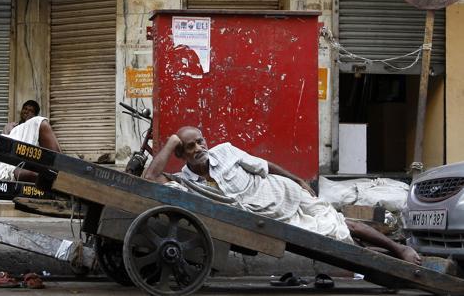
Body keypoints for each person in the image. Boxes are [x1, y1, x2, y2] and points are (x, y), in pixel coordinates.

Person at [143, 126, 422, 265]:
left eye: (200, 141)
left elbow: (264, 166)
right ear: (181, 153)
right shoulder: (184, 182)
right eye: (189, 147)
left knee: (341, 223)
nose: (199, 148)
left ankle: (399, 249)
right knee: (333, 239)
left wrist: (297, 179)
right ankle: (390, 256)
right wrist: (171, 141)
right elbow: (151, 179)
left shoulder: (225, 151)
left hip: (283, 193)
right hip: (270, 218)